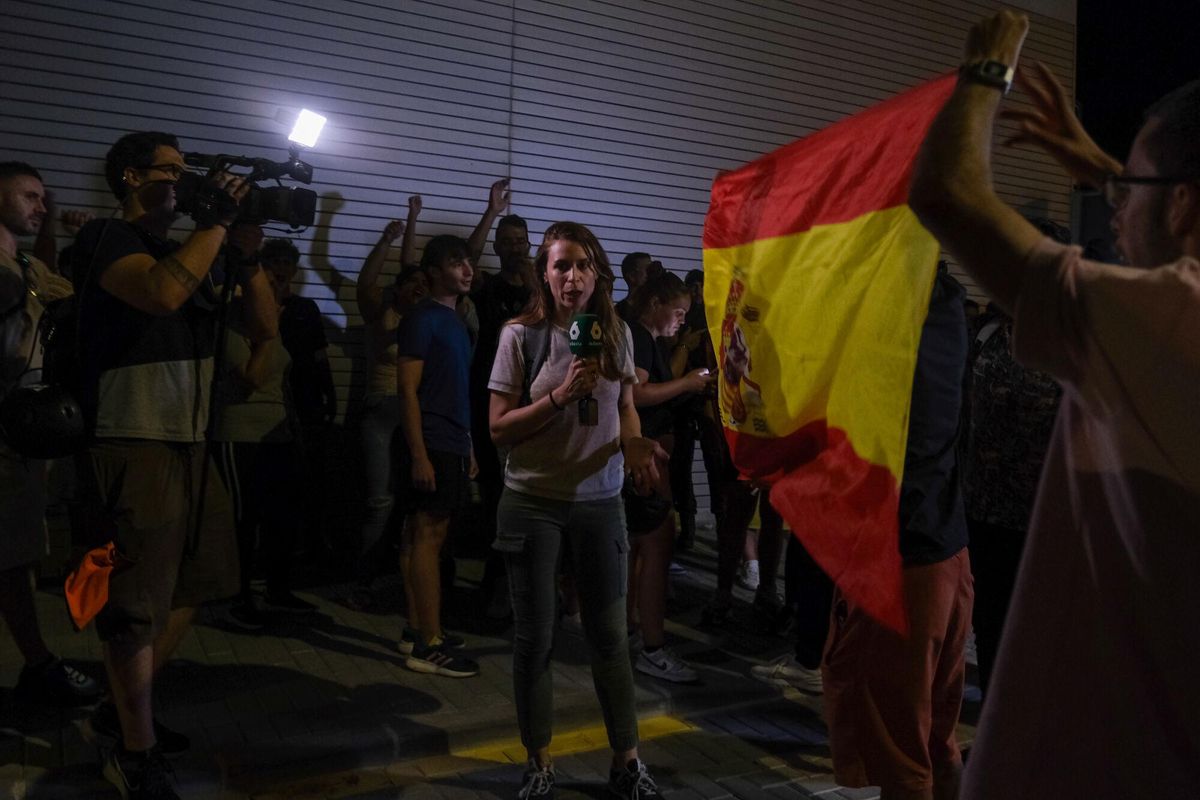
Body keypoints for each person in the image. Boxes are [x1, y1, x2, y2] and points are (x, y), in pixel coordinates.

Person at [910, 11, 1200, 797]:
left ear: (1180, 205)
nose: (1110, 207)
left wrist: (987, 66)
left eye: (1126, 189)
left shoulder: (1172, 316)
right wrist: (1119, 170)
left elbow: (944, 190)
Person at [71, 131, 275, 800]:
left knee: (193, 587)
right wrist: (213, 222)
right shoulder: (106, 239)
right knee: (134, 606)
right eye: (171, 173)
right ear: (131, 178)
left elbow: (265, 327)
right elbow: (159, 295)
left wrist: (243, 252)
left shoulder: (196, 246)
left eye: (189, 174)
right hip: (133, 438)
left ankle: (124, 711)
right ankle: (136, 751)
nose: (184, 185)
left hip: (192, 439)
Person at [488, 221, 666, 799]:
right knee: (535, 638)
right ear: (544, 272)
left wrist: (633, 442)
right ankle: (539, 761)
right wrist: (559, 397)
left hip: (600, 504)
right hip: (532, 503)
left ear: (597, 275)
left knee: (611, 639)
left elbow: (627, 409)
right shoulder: (519, 336)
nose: (572, 276)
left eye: (583, 265)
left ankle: (627, 764)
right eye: (561, 264)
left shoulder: (616, 336)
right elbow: (497, 429)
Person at [821, 263, 973, 800]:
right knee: (933, 740)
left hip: (900, 562)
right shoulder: (945, 302)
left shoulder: (896, 314)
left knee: (901, 755)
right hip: (943, 549)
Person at [0, 161, 99, 707]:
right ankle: (39, 665)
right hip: (9, 429)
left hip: (20, 431)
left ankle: (38, 663)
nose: (41, 205)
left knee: (14, 553)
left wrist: (61, 232)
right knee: (11, 556)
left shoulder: (18, 260)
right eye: (30, 196)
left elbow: (56, 292)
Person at [212, 225, 315, 628]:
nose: (276, 284)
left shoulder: (276, 322)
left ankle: (277, 589)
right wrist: (271, 329)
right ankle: (237, 598)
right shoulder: (234, 321)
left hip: (277, 433)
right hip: (240, 434)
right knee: (244, 520)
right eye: (268, 279)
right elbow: (252, 377)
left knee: (281, 517)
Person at [960, 304, 1060, 696]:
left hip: (1039, 520)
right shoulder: (987, 331)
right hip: (980, 510)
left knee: (1034, 632)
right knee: (988, 623)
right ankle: (991, 724)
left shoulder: (1071, 342)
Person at [624, 271, 714, 683]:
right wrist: (686, 383)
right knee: (655, 545)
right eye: (677, 313)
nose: (680, 321)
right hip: (647, 451)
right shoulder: (639, 337)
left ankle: (631, 633)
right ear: (655, 304)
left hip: (647, 450)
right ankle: (652, 646)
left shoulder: (645, 337)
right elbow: (636, 394)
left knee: (637, 548)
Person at [395, 234, 479, 677]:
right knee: (428, 537)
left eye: (467, 261)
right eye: (455, 262)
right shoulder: (422, 317)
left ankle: (417, 629)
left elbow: (456, 390)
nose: (466, 269)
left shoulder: (456, 321)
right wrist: (419, 453)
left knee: (419, 537)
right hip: (431, 440)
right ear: (432, 272)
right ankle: (429, 643)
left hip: (450, 440)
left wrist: (466, 445)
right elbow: (407, 389)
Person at [352, 200, 425, 602]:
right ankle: (363, 580)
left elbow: (413, 271)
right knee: (380, 499)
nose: (417, 288)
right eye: (410, 285)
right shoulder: (382, 311)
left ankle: (402, 577)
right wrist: (387, 239)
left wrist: (414, 221)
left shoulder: (425, 316)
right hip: (381, 409)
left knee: (412, 500)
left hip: (415, 412)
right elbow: (367, 282)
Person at [467, 183, 534, 617]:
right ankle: (493, 593)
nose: (512, 248)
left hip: (532, 404)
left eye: (519, 241)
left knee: (525, 496)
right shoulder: (485, 287)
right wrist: (491, 212)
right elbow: (468, 262)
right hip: (489, 399)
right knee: (495, 498)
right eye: (505, 242)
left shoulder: (537, 287)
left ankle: (520, 590)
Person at [261, 238, 337, 558]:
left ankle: (309, 544)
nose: (281, 268)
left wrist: (329, 392)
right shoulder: (254, 304)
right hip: (268, 399)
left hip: (305, 398)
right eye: (274, 261)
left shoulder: (306, 308)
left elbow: (319, 354)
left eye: (286, 262)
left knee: (309, 475)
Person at [613, 251, 652, 321]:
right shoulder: (619, 311)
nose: (651, 274)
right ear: (632, 276)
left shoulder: (655, 306)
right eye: (648, 269)